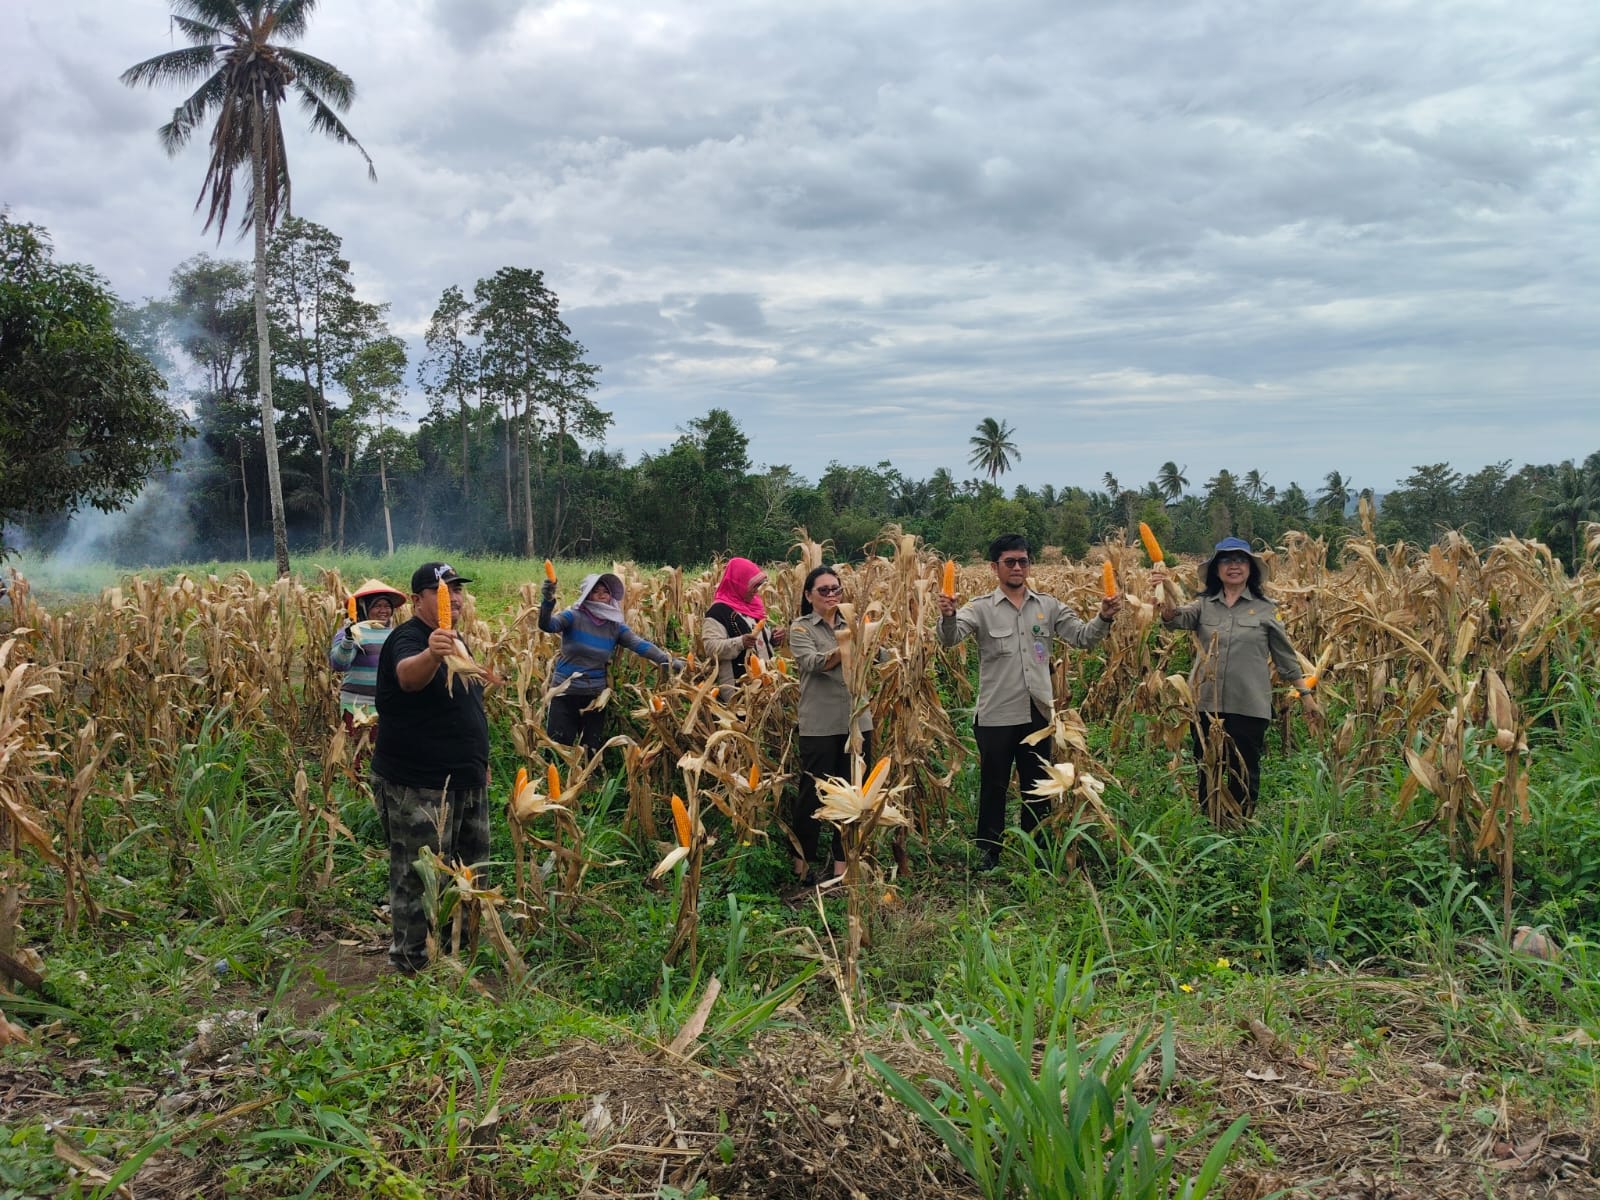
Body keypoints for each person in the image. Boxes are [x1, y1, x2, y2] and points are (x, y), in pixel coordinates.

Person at [937, 534, 1122, 871]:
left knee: (1037, 786)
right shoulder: (979, 608)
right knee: (993, 785)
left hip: (1038, 714)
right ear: (995, 567)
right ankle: (988, 854)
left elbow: (1082, 638)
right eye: (1010, 562)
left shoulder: (1047, 606)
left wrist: (1104, 617)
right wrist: (948, 615)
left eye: (1023, 561)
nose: (1018, 567)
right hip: (995, 714)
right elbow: (950, 639)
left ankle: (1037, 851)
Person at [370, 562, 491, 974]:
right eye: (442, 590)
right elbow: (407, 678)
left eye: (457, 590)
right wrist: (431, 651)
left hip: (465, 779)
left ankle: (458, 951)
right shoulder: (407, 639)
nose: (454, 597)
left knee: (469, 870)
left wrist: (481, 762)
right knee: (417, 874)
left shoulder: (456, 639)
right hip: (420, 784)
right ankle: (411, 962)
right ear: (418, 599)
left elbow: (468, 702)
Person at [1152, 537, 1320, 823]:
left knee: (1243, 768)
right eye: (1226, 561)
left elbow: (1285, 657)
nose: (1234, 566)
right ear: (1216, 569)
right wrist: (1164, 590)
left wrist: (1306, 696)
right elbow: (1172, 619)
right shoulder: (1203, 606)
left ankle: (1240, 826)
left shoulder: (1266, 609)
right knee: (1207, 764)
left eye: (1240, 560)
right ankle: (1210, 822)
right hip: (1206, 702)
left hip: (1248, 703)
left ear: (1250, 569)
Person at [787, 565, 876, 886]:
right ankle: (803, 864)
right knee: (812, 796)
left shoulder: (851, 624)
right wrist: (846, 645)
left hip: (857, 722)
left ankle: (842, 866)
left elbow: (877, 656)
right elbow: (812, 662)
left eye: (836, 589)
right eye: (823, 590)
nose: (831, 595)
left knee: (852, 796)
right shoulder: (801, 629)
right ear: (809, 596)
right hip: (820, 726)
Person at [538, 571, 685, 754]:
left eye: (605, 592)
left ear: (610, 597)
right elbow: (547, 625)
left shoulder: (615, 626)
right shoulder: (573, 617)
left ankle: (589, 783)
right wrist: (548, 600)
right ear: (586, 595)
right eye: (596, 591)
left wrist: (670, 660)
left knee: (590, 752)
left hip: (595, 696)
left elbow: (640, 645)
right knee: (557, 749)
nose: (601, 595)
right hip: (564, 692)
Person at [328, 578, 406, 769]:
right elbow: (339, 664)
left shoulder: (397, 634)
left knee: (386, 755)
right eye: (377, 605)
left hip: (388, 705)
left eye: (387, 606)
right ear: (365, 609)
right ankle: (357, 792)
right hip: (358, 706)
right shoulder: (352, 631)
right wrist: (348, 639)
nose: (383, 610)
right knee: (358, 756)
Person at [702, 557, 786, 696]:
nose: (756, 591)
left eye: (758, 586)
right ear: (738, 583)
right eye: (753, 586)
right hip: (740, 690)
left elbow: (757, 639)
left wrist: (773, 637)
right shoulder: (718, 612)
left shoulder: (753, 606)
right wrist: (740, 642)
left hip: (765, 684)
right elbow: (711, 647)